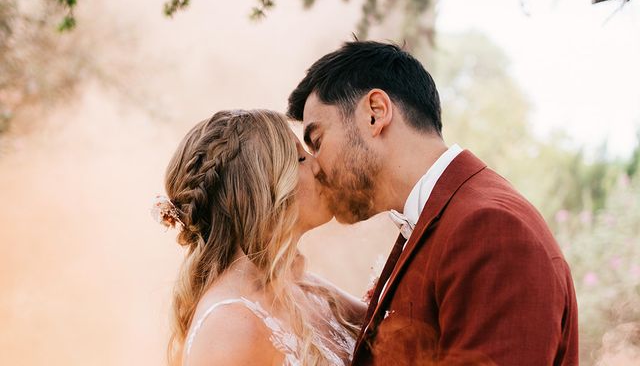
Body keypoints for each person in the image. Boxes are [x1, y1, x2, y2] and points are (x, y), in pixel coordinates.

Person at [288, 41, 580, 365]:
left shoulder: (492, 229)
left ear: (375, 113)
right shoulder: (438, 220)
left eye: (317, 140)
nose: (316, 165)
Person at [153, 109, 366, 366]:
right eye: (299, 158)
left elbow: (410, 320)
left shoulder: (310, 290)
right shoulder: (229, 328)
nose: (318, 164)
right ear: (260, 193)